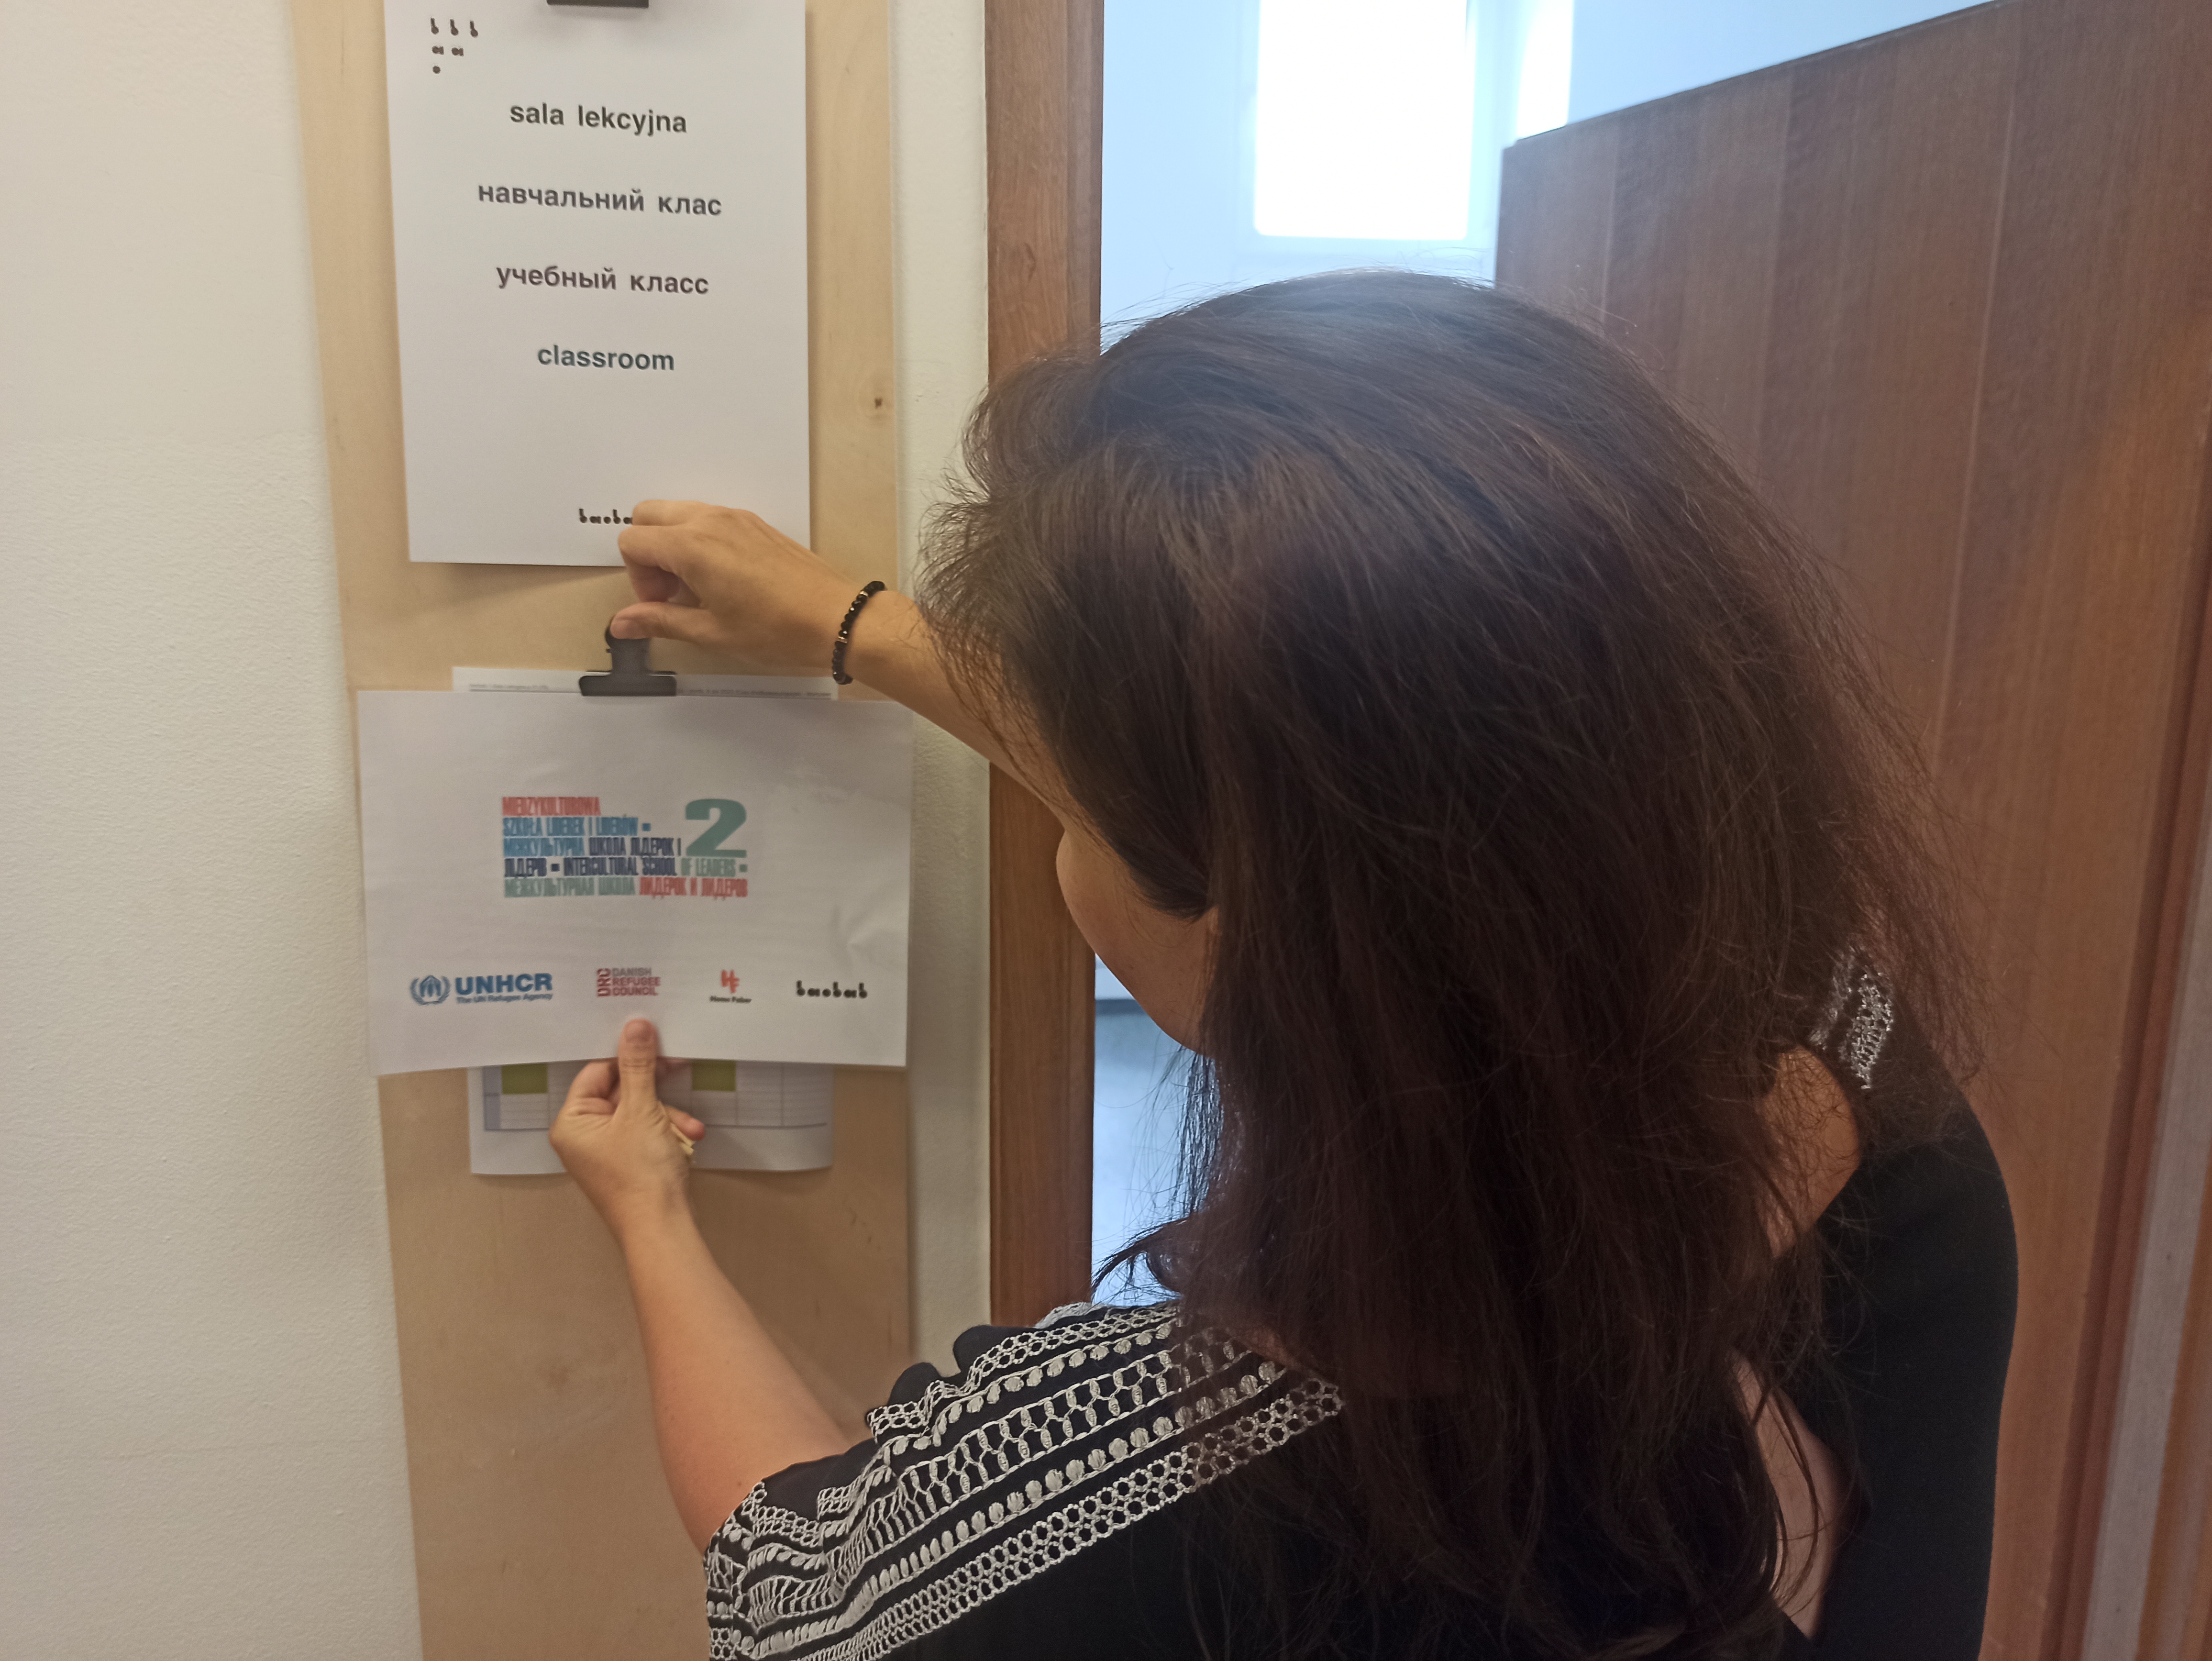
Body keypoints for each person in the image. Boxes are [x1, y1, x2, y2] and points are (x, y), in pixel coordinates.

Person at [549, 271, 2016, 1660]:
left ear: (1264, 935)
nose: (1065, 828)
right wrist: (858, 630)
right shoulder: (1880, 1108)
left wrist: (648, 1212)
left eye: (1080, 819)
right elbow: (1381, 789)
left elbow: (791, 1578)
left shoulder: (1141, 1497)